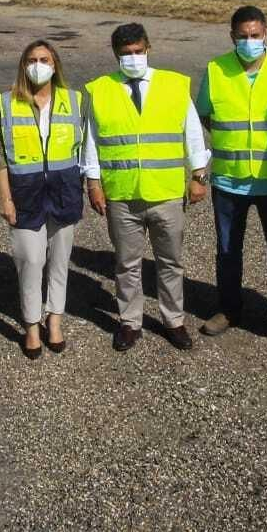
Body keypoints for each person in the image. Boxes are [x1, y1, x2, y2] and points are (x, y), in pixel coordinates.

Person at [84, 23, 211, 351]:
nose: (133, 58)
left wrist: (198, 176)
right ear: (116, 55)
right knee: (126, 263)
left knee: (170, 261)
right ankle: (130, 322)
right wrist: (93, 183)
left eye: (138, 51)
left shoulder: (173, 84)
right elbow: (92, 141)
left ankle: (174, 320)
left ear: (148, 48)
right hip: (122, 194)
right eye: (126, 54)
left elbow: (192, 134)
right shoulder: (101, 90)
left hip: (166, 192)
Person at [196, 5, 267, 339]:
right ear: (232, 37)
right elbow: (204, 115)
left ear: (266, 34)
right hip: (230, 180)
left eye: (255, 36)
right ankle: (229, 310)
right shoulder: (216, 70)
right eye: (242, 36)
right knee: (228, 249)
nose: (249, 41)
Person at [0, 39, 84, 358]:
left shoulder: (74, 100)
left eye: (44, 59)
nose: (38, 65)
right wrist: (5, 198)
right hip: (24, 194)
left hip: (64, 193)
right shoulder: (6, 102)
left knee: (59, 262)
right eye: (32, 59)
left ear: (55, 63)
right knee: (30, 261)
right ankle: (31, 325)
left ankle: (54, 321)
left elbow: (84, 148)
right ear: (23, 66)